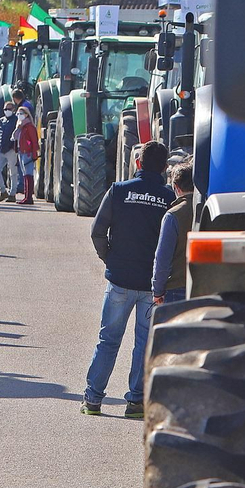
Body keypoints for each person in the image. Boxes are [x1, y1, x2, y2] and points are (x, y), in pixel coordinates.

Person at [82, 141, 174, 418]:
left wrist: (110, 259)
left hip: (120, 279)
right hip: (150, 284)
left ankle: (93, 400)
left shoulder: (119, 191)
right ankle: (135, 402)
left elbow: (98, 231)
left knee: (108, 340)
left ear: (138, 163)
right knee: (143, 344)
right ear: (164, 168)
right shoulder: (169, 198)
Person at [152, 163, 194, 306]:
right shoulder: (209, 208)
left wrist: (157, 290)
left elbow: (162, 258)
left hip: (176, 290)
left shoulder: (173, 215)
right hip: (203, 287)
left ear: (176, 187)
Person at [0, 101, 19, 202]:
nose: (7, 111)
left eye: (9, 109)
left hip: (11, 150)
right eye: (5, 109)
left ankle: (12, 194)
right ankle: (3, 191)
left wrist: (14, 147)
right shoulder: (1, 120)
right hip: (0, 149)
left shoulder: (16, 120)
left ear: (13, 110)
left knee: (13, 172)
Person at [16, 106, 40, 205]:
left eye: (21, 114)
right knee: (25, 174)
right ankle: (26, 197)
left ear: (26, 115)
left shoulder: (29, 126)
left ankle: (29, 197)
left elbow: (34, 141)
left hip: (28, 152)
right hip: (21, 151)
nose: (19, 116)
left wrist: (34, 153)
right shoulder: (20, 125)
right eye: (18, 114)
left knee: (28, 175)